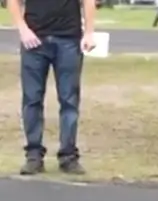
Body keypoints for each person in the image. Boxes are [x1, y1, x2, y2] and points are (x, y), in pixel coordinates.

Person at [7, 0, 97, 176]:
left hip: (68, 39)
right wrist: (23, 30)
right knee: (32, 99)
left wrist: (89, 32)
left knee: (69, 100)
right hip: (34, 40)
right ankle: (33, 155)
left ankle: (68, 156)